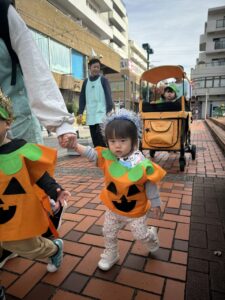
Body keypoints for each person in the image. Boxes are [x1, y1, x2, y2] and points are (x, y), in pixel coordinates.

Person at [72, 109, 166, 271]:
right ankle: (111, 253)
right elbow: (92, 154)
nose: (117, 145)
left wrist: (156, 202)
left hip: (136, 210)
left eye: (122, 140)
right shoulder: (108, 158)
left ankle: (150, 236)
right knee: (108, 231)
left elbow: (150, 183)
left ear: (134, 141)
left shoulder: (141, 164)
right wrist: (75, 146)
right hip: (113, 207)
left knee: (139, 235)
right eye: (112, 141)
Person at [0, 90, 70, 272]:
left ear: (8, 122)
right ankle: (5, 250)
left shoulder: (21, 150)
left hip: (16, 212)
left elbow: (40, 174)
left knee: (25, 245)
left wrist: (55, 189)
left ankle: (54, 249)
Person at [0, 0, 76, 148]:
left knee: (27, 169)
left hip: (16, 128)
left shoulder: (3, 13)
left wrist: (61, 123)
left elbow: (35, 67)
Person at [77, 57, 113, 147]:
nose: (96, 69)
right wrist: (80, 112)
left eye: (98, 67)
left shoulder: (103, 80)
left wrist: (109, 110)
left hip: (102, 115)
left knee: (102, 139)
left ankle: (106, 159)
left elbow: (108, 96)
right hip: (91, 115)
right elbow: (82, 98)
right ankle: (99, 159)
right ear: (90, 68)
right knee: (95, 141)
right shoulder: (86, 82)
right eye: (94, 67)